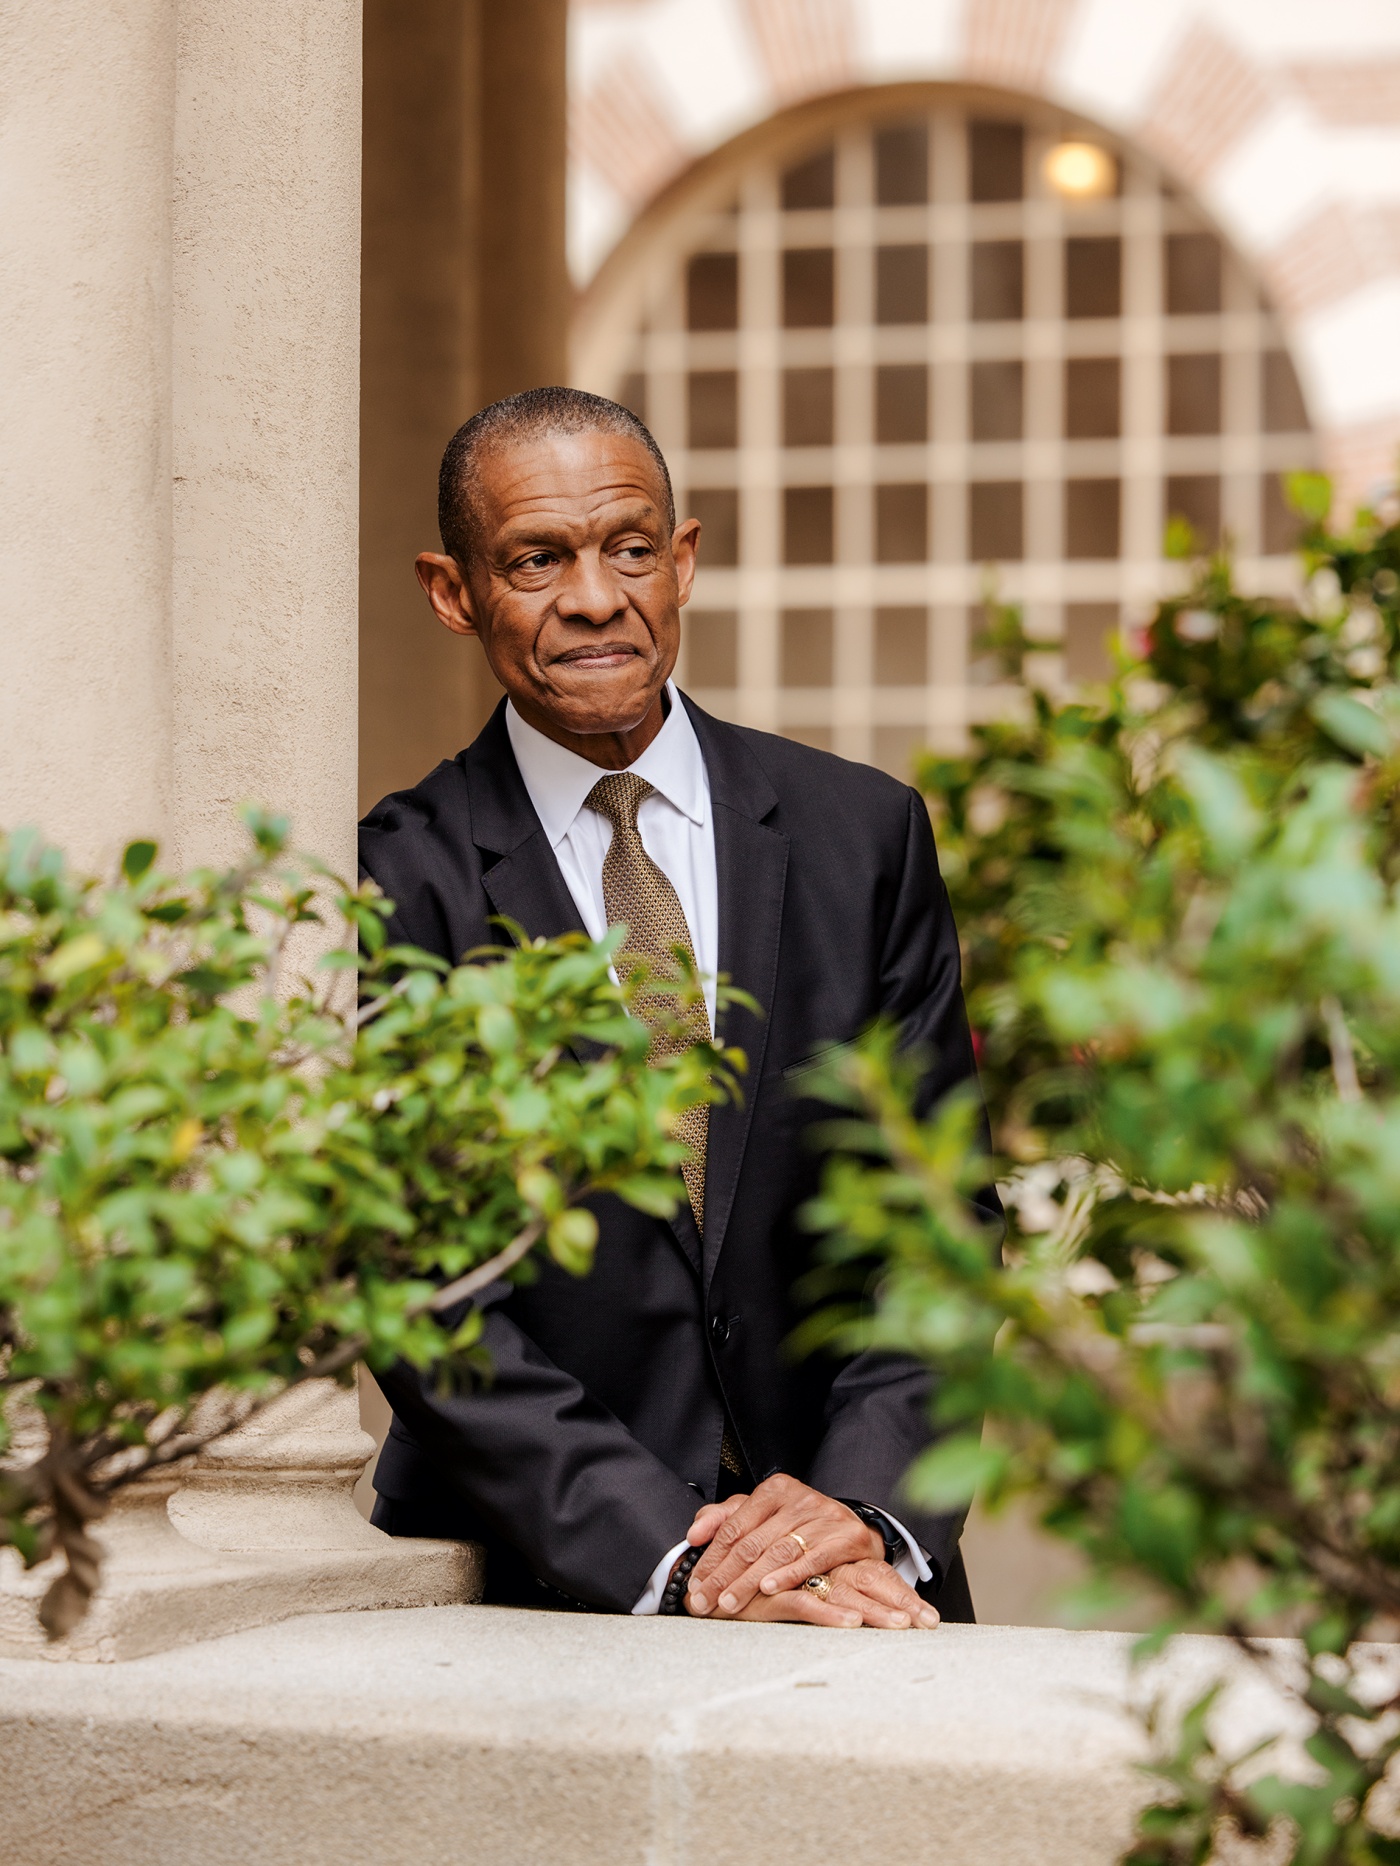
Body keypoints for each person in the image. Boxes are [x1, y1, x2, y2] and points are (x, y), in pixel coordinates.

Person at [359, 387, 997, 1628]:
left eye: (629, 549)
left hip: (857, 1577)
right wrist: (675, 1555)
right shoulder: (391, 881)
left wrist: (854, 1507)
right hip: (533, 1594)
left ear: (682, 558)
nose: (595, 598)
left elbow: (938, 1224)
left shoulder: (862, 837)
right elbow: (416, 1289)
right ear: (452, 592)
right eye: (537, 560)